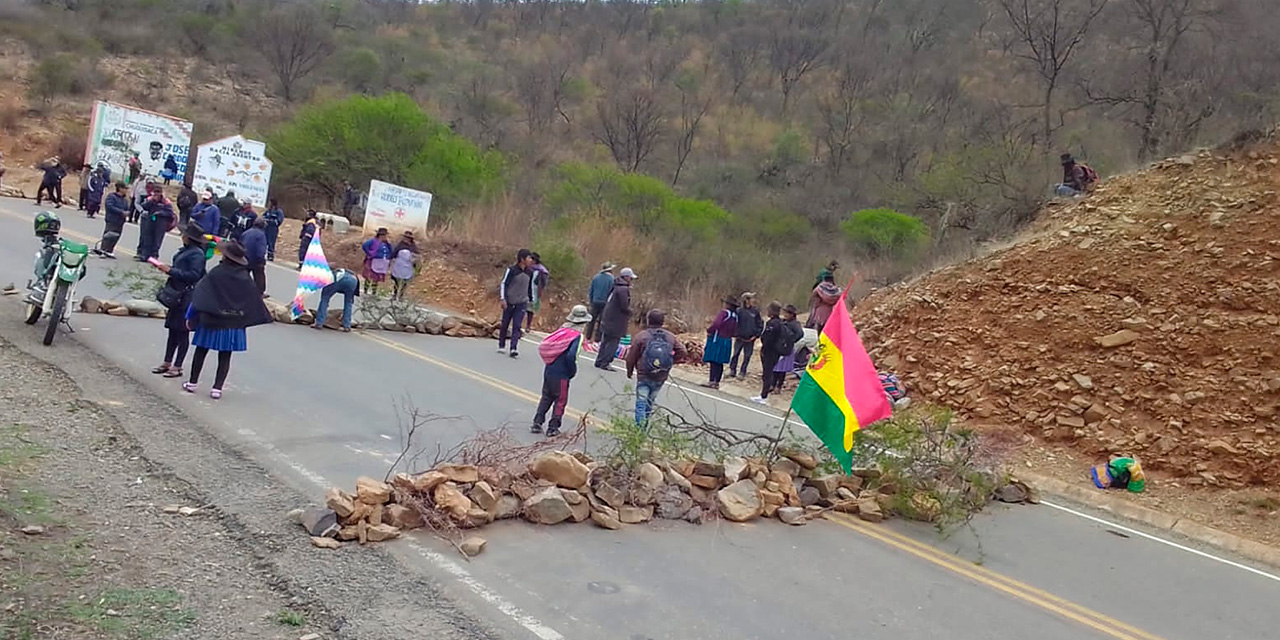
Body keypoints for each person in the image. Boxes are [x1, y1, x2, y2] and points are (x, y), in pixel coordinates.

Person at [182, 241, 272, 400]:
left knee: (201, 351)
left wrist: (190, 316)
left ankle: (192, 382)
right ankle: (217, 388)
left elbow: (199, 295)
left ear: (226, 256)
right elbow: (252, 300)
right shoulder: (245, 278)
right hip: (233, 323)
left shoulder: (216, 273)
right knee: (225, 355)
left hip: (211, 319)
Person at [150, 225, 208, 380]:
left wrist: (170, 271)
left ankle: (178, 365)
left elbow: (193, 275)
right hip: (177, 293)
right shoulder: (185, 251)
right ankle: (167, 361)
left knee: (182, 332)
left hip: (187, 296)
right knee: (172, 330)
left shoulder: (197, 255)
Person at [531, 305, 592, 437]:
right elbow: (571, 355)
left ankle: (537, 422)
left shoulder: (562, 330)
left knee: (546, 396)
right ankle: (553, 427)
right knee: (560, 400)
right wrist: (572, 370)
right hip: (562, 372)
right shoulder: (577, 336)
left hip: (549, 368)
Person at [625, 309, 687, 428]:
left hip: (644, 374)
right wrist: (671, 361)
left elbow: (631, 356)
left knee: (641, 403)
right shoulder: (670, 337)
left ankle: (639, 430)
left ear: (648, 321)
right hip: (661, 375)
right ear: (662, 322)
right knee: (650, 403)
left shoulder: (641, 336)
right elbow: (683, 351)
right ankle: (645, 426)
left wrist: (630, 371)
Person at [595, 267, 637, 370]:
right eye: (630, 278)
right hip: (616, 320)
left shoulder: (615, 286)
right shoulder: (623, 289)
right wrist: (630, 312)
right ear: (626, 277)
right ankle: (606, 362)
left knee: (605, 340)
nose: (631, 280)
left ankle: (599, 360)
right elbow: (624, 306)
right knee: (613, 342)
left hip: (608, 317)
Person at [497, 249, 535, 358]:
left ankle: (513, 348)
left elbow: (530, 287)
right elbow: (504, 284)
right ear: (522, 259)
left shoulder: (530, 273)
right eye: (529, 258)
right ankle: (502, 344)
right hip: (509, 301)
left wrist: (531, 300)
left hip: (522, 302)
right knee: (505, 324)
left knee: (517, 325)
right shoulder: (512, 270)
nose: (531, 260)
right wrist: (503, 298)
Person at [701, 296, 739, 389]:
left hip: (718, 339)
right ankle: (717, 382)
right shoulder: (735, 317)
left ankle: (711, 380)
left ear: (728, 305)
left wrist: (710, 330)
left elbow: (716, 324)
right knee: (720, 362)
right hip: (727, 340)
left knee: (714, 360)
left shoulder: (724, 313)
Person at [772, 305, 806, 394]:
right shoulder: (783, 322)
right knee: (776, 367)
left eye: (787, 313)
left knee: (782, 369)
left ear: (792, 315)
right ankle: (773, 384)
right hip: (779, 347)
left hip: (787, 348)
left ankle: (778, 386)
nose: (785, 315)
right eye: (785, 313)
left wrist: (791, 340)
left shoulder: (795, 324)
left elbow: (800, 334)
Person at [313, 267, 360, 332]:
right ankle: (347, 326)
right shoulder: (347, 272)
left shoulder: (328, 274)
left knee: (325, 298)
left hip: (338, 278)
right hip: (353, 280)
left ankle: (319, 323)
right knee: (348, 302)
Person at [728, 292, 762, 380]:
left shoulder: (755, 312)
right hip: (739, 338)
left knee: (747, 356)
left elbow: (760, 324)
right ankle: (732, 370)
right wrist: (735, 333)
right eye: (751, 298)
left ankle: (742, 372)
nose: (753, 300)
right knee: (735, 354)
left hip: (750, 339)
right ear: (746, 300)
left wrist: (756, 335)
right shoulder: (739, 311)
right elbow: (734, 323)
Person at [93, 182, 129, 258]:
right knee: (108, 235)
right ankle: (103, 250)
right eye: (125, 188)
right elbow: (110, 206)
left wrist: (127, 213)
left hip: (120, 221)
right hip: (112, 219)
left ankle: (110, 250)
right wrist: (121, 212)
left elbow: (127, 208)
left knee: (116, 236)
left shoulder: (124, 200)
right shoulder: (112, 197)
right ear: (120, 188)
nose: (126, 190)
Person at [138, 188, 175, 261]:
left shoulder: (166, 202)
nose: (156, 195)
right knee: (147, 238)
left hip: (161, 223)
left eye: (158, 193)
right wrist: (151, 201)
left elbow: (170, 213)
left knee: (157, 240)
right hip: (150, 221)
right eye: (155, 193)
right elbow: (144, 206)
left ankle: (154, 255)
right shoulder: (150, 199)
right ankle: (144, 255)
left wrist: (161, 213)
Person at [584, 262, 615, 343]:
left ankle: (587, 337)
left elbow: (591, 291)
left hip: (595, 301)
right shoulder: (612, 279)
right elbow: (612, 293)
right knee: (601, 322)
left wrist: (591, 301)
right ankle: (597, 340)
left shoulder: (596, 277)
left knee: (591, 320)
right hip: (605, 303)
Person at [361, 227, 393, 296]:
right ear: (380, 235)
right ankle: (365, 290)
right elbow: (364, 246)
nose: (385, 237)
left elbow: (391, 251)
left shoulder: (386, 243)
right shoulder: (373, 241)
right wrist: (369, 253)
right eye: (384, 235)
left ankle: (374, 292)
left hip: (381, 263)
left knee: (376, 278)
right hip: (373, 261)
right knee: (369, 276)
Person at [241, 218, 269, 298]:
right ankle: (260, 292)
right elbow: (261, 248)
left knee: (243, 273)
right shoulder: (261, 235)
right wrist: (261, 260)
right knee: (259, 275)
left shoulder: (246, 232)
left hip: (244, 257)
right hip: (255, 258)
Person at [527, 252, 549, 329]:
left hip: (534, 290)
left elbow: (544, 282)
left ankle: (528, 325)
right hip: (525, 289)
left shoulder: (541, 270)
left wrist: (541, 289)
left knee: (530, 309)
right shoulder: (527, 268)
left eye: (532, 259)